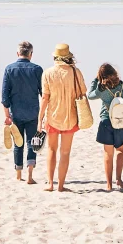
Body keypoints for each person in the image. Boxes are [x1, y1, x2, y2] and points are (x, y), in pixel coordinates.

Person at [36, 43, 86, 192]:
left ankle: (50, 183)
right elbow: (82, 92)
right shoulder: (76, 72)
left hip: (53, 116)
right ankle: (61, 186)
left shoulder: (48, 73)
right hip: (70, 117)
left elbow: (45, 98)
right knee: (65, 152)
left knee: (51, 150)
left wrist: (40, 119)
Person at [88, 62, 123, 192]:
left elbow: (89, 95)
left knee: (108, 154)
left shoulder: (101, 90)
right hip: (122, 123)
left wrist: (95, 80)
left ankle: (109, 185)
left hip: (106, 122)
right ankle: (119, 180)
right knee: (120, 150)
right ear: (114, 72)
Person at [0, 41, 44, 182]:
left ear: (18, 53)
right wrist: (43, 115)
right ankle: (30, 176)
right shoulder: (37, 69)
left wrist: (7, 115)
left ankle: (18, 175)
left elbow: (4, 96)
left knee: (18, 144)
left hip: (16, 113)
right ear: (31, 54)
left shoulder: (9, 69)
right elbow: (44, 94)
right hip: (33, 112)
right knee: (33, 142)